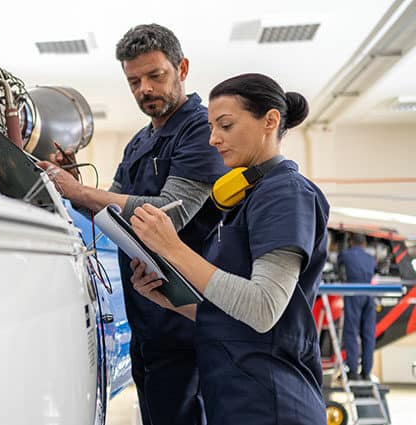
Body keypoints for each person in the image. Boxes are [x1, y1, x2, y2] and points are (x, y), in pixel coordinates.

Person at [38, 24, 227, 425]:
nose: (144, 89)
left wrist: (82, 193)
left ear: (182, 68)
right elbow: (112, 217)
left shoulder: (201, 131)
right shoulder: (140, 142)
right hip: (148, 322)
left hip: (186, 325)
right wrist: (77, 186)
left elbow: (167, 213)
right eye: (134, 81)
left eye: (155, 76)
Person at [128, 73, 329, 424]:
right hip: (235, 398)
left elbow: (263, 308)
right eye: (211, 127)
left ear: (270, 121)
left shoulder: (286, 194)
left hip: (271, 401)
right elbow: (234, 313)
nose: (213, 139)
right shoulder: (243, 200)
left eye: (225, 125)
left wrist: (172, 247)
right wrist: (173, 300)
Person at [339, 233, 377, 381]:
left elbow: (338, 264)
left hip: (354, 292)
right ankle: (366, 372)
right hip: (370, 294)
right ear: (364, 244)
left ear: (351, 242)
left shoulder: (346, 254)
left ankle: (353, 371)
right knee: (368, 334)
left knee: (351, 332)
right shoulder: (370, 258)